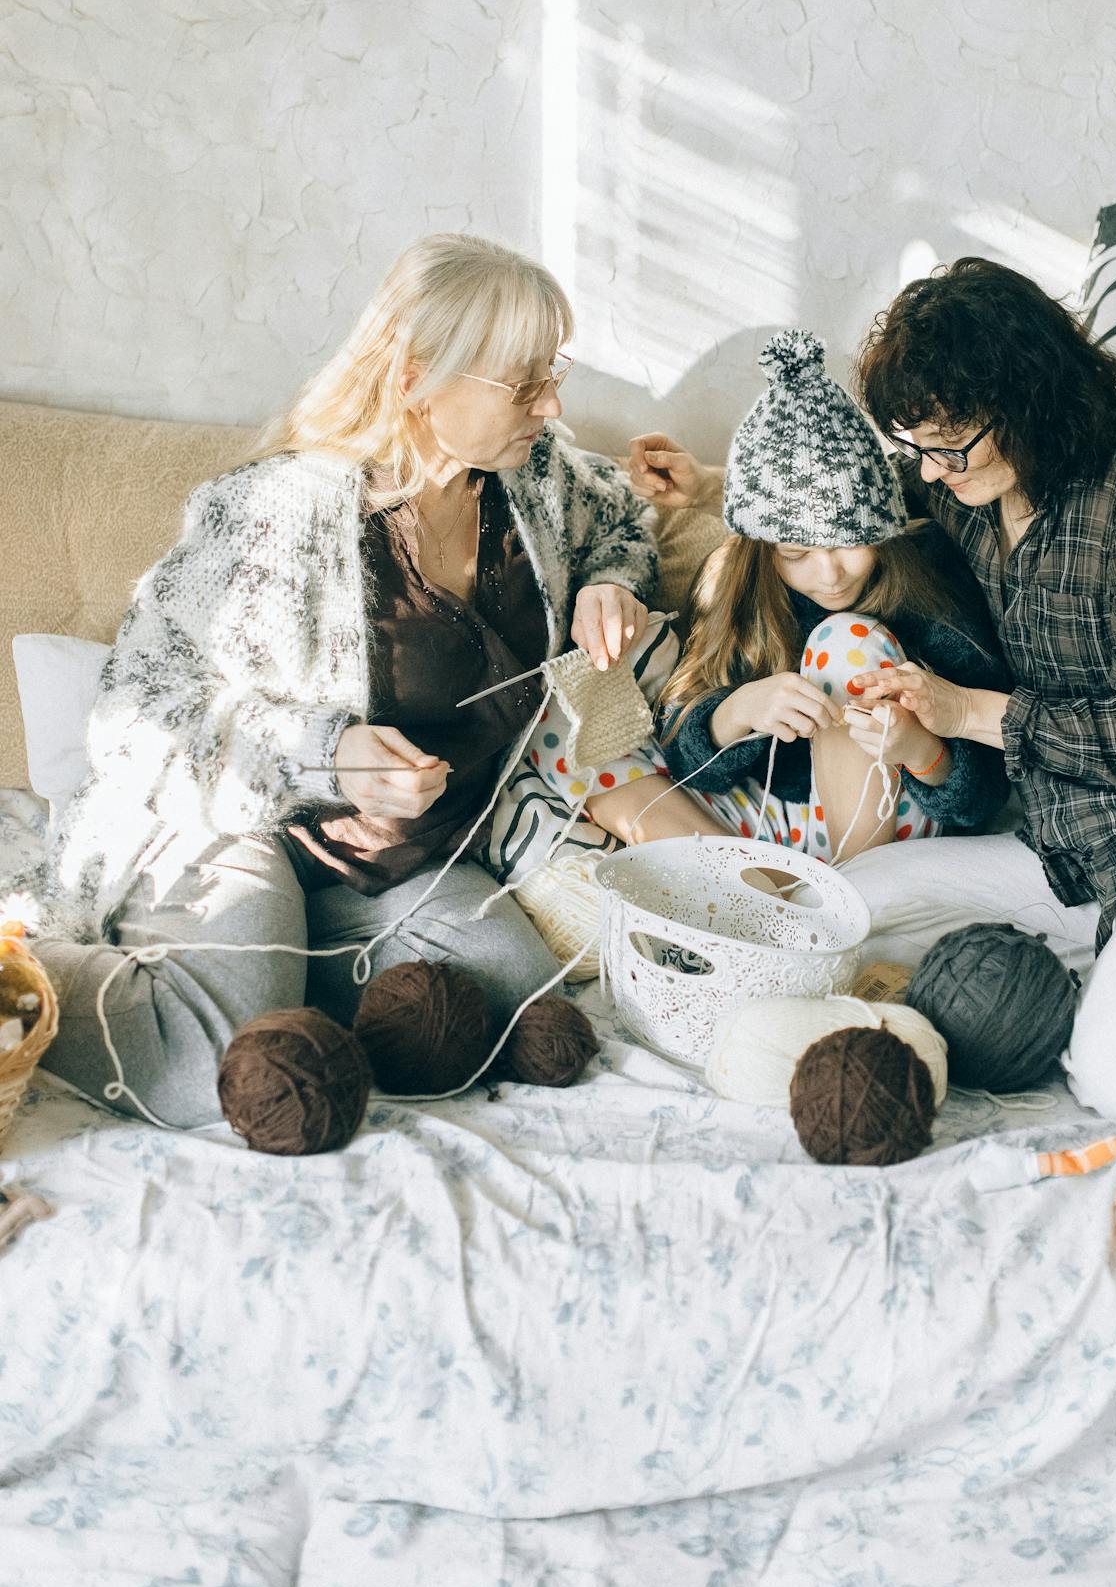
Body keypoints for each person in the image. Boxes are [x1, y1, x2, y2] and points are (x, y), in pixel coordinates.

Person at [32, 234, 723, 1128]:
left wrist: (609, 586)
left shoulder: (535, 479)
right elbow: (137, 714)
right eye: (524, 385)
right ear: (415, 380)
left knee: (514, 994)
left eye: (552, 373)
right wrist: (327, 755)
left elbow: (620, 524)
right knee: (204, 1069)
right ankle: (32, 968)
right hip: (248, 832)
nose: (552, 406)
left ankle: (281, 969)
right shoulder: (277, 514)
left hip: (408, 860)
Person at [631, 261, 1116, 1120]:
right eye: (917, 445)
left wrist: (962, 713)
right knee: (818, 922)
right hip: (1061, 856)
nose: (929, 466)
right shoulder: (962, 487)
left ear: (1027, 402)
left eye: (947, 442)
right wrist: (711, 488)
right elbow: (845, 497)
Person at [647, 329, 1009, 865]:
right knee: (574, 734)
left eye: (853, 543)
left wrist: (920, 750)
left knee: (845, 640)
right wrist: (740, 711)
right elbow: (680, 749)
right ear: (763, 550)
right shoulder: (733, 580)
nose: (830, 574)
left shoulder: (926, 581)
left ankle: (854, 887)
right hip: (780, 822)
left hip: (897, 822)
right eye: (795, 552)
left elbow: (988, 795)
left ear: (885, 529)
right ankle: (758, 891)